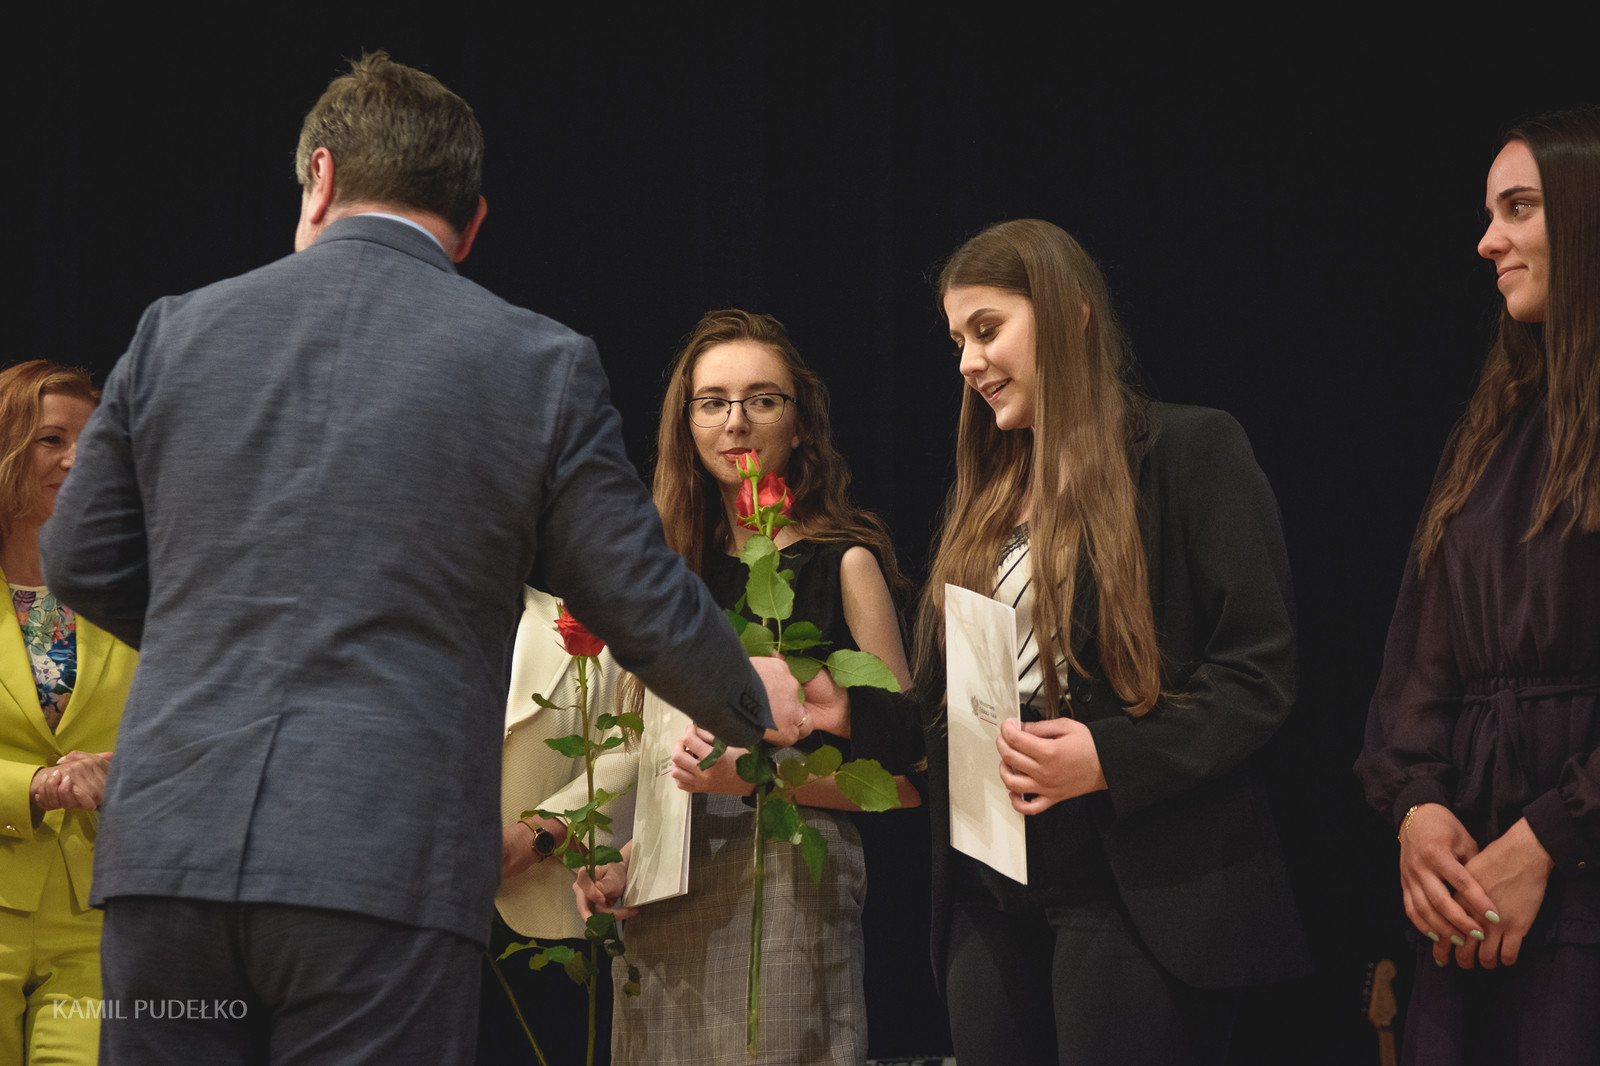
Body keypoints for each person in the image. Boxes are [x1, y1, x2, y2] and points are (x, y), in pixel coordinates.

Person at [38, 53, 808, 1066]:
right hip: (380, 869)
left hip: (170, 859)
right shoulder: (536, 363)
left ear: (319, 176)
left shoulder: (174, 330)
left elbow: (79, 558)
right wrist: (754, 703)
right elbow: (640, 599)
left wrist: (222, 633)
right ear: (472, 222)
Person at [913, 219, 1310, 1065]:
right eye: (958, 341)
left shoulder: (1190, 451)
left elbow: (1257, 675)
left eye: (987, 329)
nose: (969, 363)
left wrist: (1107, 758)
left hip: (1135, 888)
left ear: (1070, 312)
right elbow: (941, 704)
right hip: (993, 887)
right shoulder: (988, 492)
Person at [574, 308, 918, 1064]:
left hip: (784, 893)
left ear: (801, 423)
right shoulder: (667, 577)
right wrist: (626, 858)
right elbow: (663, 767)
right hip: (662, 907)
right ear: (687, 425)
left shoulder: (844, 564)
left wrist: (760, 780)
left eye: (762, 399)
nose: (736, 422)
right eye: (713, 402)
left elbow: (904, 781)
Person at [1356, 106, 1600, 1065]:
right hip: (1474, 887)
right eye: (1490, 212)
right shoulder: (1497, 426)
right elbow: (1421, 657)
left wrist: (1551, 839)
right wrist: (1419, 809)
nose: (1488, 240)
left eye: (1520, 208)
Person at [0, 361, 136, 1066]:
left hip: (99, 914)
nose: (76, 460)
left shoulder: (137, 599)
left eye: (91, 442)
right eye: (51, 439)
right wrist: (31, 786)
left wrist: (124, 774)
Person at [480, 587, 629, 1065]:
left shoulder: (599, 617)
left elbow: (633, 748)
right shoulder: (410, 617)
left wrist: (538, 836)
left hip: (547, 914)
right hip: (413, 919)